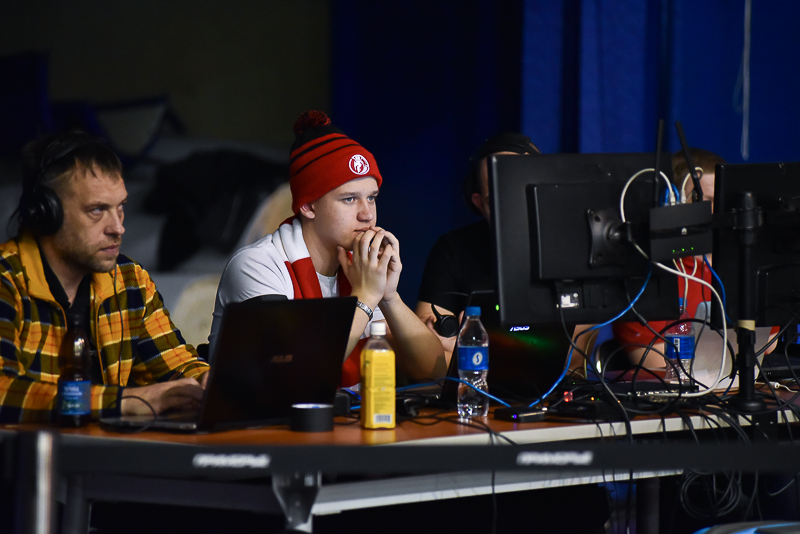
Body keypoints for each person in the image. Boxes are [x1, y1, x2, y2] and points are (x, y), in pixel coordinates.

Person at [209, 111, 444, 386]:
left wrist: (388, 297)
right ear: (308, 206)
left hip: (345, 414)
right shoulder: (257, 265)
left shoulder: (360, 270)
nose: (367, 214)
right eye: (349, 199)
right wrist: (366, 297)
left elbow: (433, 371)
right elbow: (293, 373)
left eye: (371, 198)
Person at [0, 131, 209, 423]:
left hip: (102, 451)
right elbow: (3, 392)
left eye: (120, 208)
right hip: (26, 453)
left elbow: (178, 364)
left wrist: (207, 382)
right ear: (45, 213)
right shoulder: (7, 280)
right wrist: (126, 401)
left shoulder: (129, 280)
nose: (118, 228)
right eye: (97, 210)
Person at [415, 133, 541, 358]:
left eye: (520, 192)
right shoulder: (453, 249)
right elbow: (427, 356)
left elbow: (574, 358)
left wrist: (479, 348)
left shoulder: (573, 246)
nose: (511, 209)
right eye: (497, 200)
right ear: (479, 204)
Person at [611, 148, 726, 368]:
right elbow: (655, 363)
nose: (715, 211)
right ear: (673, 202)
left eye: (721, 200)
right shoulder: (648, 278)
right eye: (704, 200)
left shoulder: (741, 270)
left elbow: (768, 345)